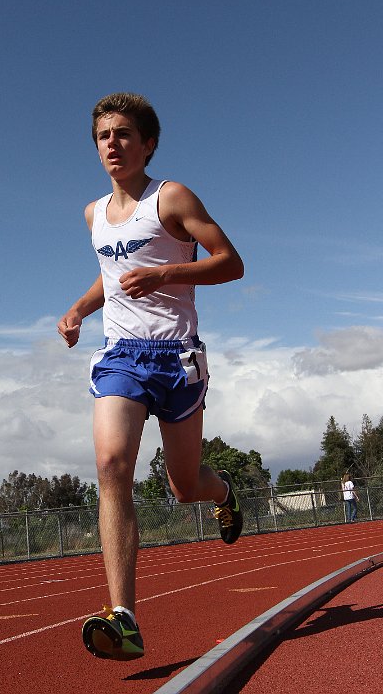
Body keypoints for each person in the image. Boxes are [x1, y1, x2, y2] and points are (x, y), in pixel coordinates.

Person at [58, 92, 245, 661]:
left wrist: (167, 271)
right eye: (102, 137)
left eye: (122, 134)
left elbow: (231, 262)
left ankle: (226, 492)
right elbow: (110, 276)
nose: (111, 145)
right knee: (112, 464)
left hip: (177, 356)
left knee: (184, 485)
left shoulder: (171, 198)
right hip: (122, 356)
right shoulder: (93, 214)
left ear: (148, 144)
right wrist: (79, 310)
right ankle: (125, 617)